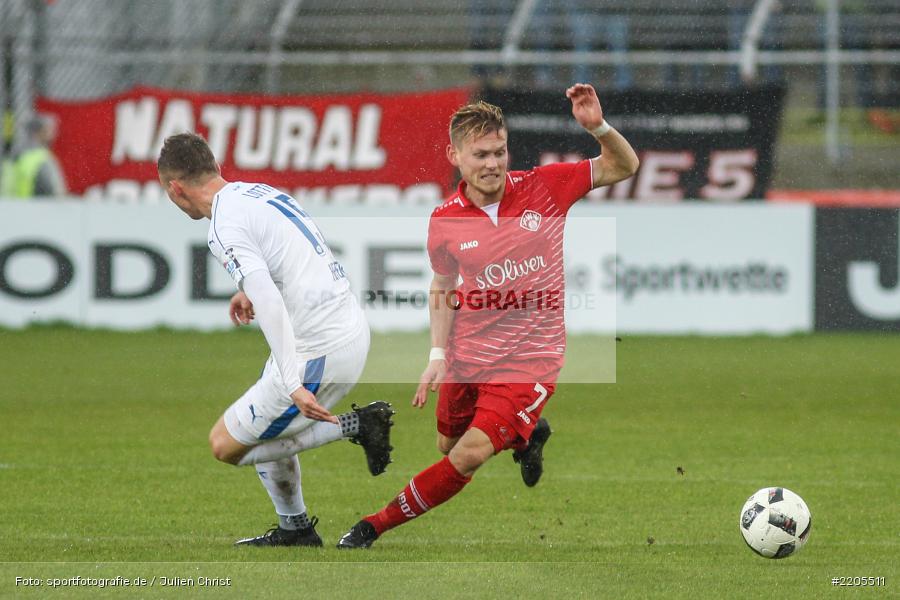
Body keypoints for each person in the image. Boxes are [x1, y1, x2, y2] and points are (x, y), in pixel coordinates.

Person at [337, 83, 639, 549]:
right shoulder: (444, 220)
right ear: (455, 155)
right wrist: (437, 353)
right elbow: (442, 286)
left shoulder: (544, 186)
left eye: (499, 151)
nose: (493, 163)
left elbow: (624, 165)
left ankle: (372, 525)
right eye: (480, 154)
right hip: (469, 353)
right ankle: (527, 434)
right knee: (446, 445)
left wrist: (596, 127)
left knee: (469, 454)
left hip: (532, 358)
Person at [157, 132, 394, 547]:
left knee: (225, 445)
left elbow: (268, 299)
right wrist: (249, 288)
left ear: (175, 189)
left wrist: (291, 380)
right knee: (265, 427)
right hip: (342, 329)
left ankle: (358, 425)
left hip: (317, 350)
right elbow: (295, 256)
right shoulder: (255, 193)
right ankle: (295, 529)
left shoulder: (222, 224)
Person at [2, 114, 67, 198]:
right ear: (38, 132)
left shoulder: (9, 158)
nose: (54, 135)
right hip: (34, 209)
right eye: (48, 130)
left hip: (8, 208)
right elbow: (55, 195)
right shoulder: (42, 159)